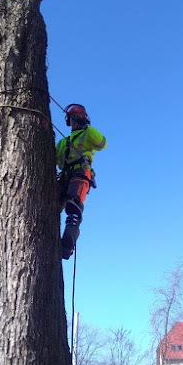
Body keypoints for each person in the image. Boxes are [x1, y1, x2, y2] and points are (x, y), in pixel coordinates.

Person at [56, 104, 107, 259]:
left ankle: (67, 245)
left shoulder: (88, 134)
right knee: (50, 204)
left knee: (74, 205)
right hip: (65, 175)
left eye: (76, 119)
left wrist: (88, 128)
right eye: (72, 119)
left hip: (80, 172)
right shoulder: (63, 142)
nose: (74, 122)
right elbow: (56, 160)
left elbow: (102, 143)